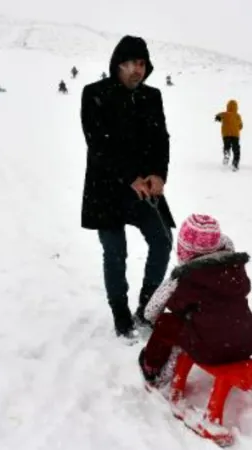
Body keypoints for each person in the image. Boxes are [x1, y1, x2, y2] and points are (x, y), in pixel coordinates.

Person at [80, 35, 175, 339]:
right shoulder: (94, 93)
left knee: (162, 240)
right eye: (130, 63)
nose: (137, 69)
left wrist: (158, 175)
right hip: (106, 188)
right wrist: (130, 176)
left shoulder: (152, 96)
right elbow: (98, 145)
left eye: (142, 63)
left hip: (145, 188)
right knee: (115, 251)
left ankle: (147, 305)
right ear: (117, 64)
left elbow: (161, 139)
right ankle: (120, 311)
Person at [138, 214, 252, 388]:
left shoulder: (187, 279)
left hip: (212, 349)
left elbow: (150, 312)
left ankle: (151, 366)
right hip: (247, 341)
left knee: (168, 323)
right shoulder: (235, 269)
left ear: (185, 251)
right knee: (220, 318)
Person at [214, 100, 243, 170]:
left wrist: (218, 118)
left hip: (226, 134)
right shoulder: (238, 116)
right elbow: (241, 126)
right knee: (236, 148)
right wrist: (237, 127)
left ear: (228, 106)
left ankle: (227, 153)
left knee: (227, 145)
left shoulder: (225, 114)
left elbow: (218, 115)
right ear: (236, 107)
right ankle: (235, 162)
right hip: (235, 134)